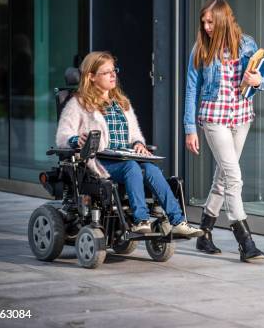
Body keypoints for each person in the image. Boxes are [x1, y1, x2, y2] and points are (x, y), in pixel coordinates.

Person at [56, 51, 203, 237]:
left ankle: (178, 221)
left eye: (114, 70)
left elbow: (134, 134)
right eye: (106, 72)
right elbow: (63, 134)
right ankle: (140, 220)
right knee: (132, 168)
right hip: (98, 161)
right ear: (91, 77)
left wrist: (139, 144)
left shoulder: (121, 103)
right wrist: (77, 140)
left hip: (123, 157)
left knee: (151, 169)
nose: (113, 75)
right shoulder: (78, 104)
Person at [184, 0, 264, 262]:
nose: (206, 26)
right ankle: (245, 241)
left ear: (222, 19)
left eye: (211, 21)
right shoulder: (201, 48)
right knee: (233, 176)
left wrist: (258, 81)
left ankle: (204, 233)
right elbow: (191, 89)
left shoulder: (247, 44)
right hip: (214, 118)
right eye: (204, 22)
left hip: (241, 117)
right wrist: (189, 128)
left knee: (222, 178)